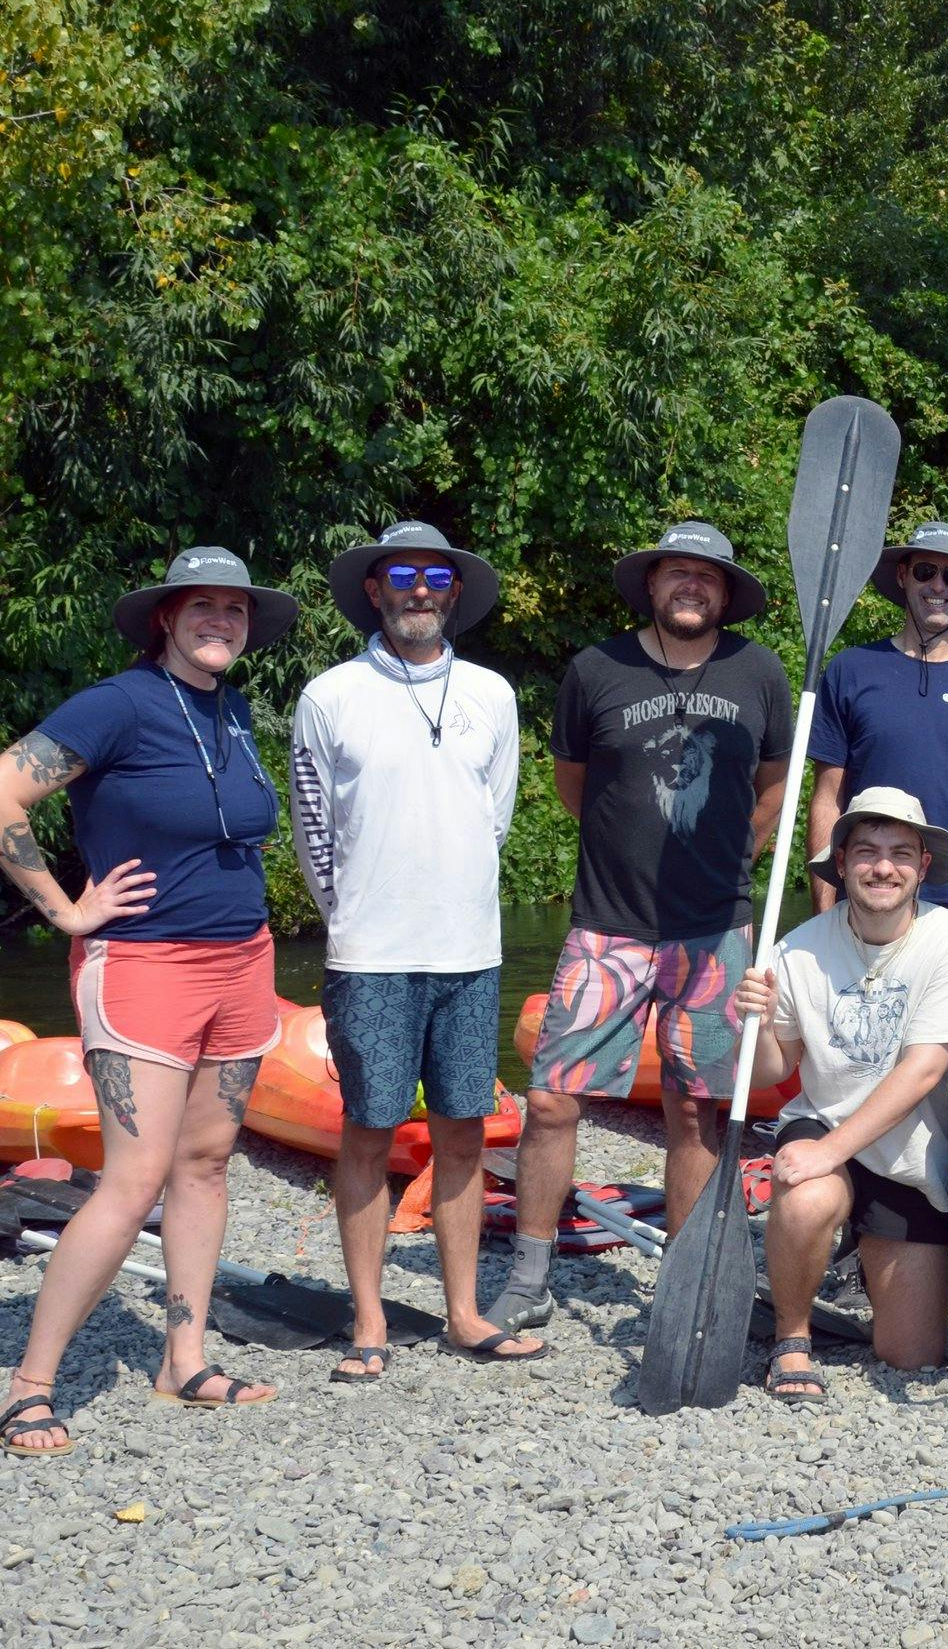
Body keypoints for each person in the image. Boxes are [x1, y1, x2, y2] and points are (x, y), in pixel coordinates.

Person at [1, 548, 300, 1453]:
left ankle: (185, 1359)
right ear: (165, 619)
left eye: (235, 610)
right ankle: (30, 1385)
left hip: (241, 960)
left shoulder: (233, 711)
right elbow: (4, 786)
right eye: (201, 606)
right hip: (142, 964)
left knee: (206, 1165)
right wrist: (64, 909)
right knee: (133, 1180)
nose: (222, 621)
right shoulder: (117, 704)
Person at [492, 522, 794, 1335]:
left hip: (712, 929)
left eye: (707, 576)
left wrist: (737, 850)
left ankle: (685, 1275)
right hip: (609, 927)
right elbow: (575, 786)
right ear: (651, 584)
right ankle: (529, 1270)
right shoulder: (596, 669)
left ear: (725, 593)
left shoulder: (759, 671)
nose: (690, 586)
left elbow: (774, 785)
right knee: (554, 1101)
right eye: (676, 573)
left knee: (697, 1110)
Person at [289, 522, 539, 1376]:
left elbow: (493, 817)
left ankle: (464, 1313)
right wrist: (354, 917)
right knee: (368, 1127)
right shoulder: (329, 695)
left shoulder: (492, 694)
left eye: (437, 576)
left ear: (455, 591)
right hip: (370, 954)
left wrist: (451, 898)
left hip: (469, 948)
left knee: (464, 1129)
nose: (420, 590)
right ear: (375, 588)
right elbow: (314, 833)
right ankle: (368, 1322)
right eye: (403, 574)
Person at [730, 790, 948, 1400]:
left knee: (911, 1353)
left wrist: (833, 1151)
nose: (883, 867)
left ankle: (852, 1256)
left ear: (922, 867)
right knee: (802, 1192)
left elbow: (925, 1069)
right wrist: (757, 1021)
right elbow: (773, 1071)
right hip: (824, 1123)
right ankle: (792, 1339)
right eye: (867, 852)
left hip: (911, 1153)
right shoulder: (795, 948)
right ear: (841, 861)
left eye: (901, 854)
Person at [809, 521, 948, 985]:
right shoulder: (851, 670)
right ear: (903, 576)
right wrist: (823, 908)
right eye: (927, 571)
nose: (939, 586)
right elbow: (827, 799)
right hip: (870, 894)